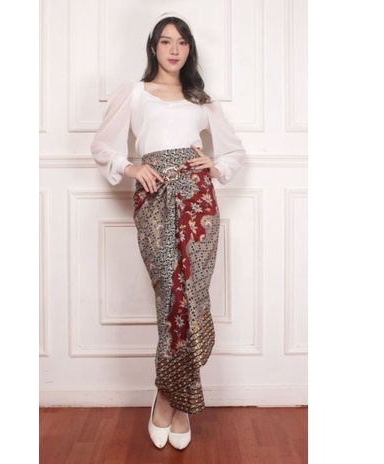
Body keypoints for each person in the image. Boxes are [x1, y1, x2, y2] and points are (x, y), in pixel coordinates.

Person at [91, 12, 245, 451]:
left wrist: (215, 165)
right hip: (154, 198)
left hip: (199, 203)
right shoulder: (134, 93)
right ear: (153, 47)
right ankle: (170, 395)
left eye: (181, 42)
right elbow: (102, 145)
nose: (174, 49)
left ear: (189, 48)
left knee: (192, 297)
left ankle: (173, 401)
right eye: (165, 41)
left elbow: (234, 151)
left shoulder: (201, 100)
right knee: (169, 295)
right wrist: (131, 167)